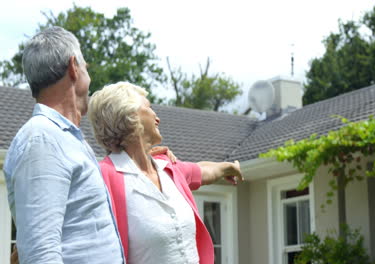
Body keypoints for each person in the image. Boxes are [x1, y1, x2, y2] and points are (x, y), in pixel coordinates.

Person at [2, 26, 125, 264]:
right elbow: (41, 254)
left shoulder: (62, 138)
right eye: (86, 67)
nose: (89, 76)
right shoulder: (42, 139)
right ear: (73, 67)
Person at [87, 82, 243, 264]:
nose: (157, 117)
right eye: (148, 107)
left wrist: (229, 167)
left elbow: (204, 170)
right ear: (130, 115)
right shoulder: (103, 177)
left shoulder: (167, 167)